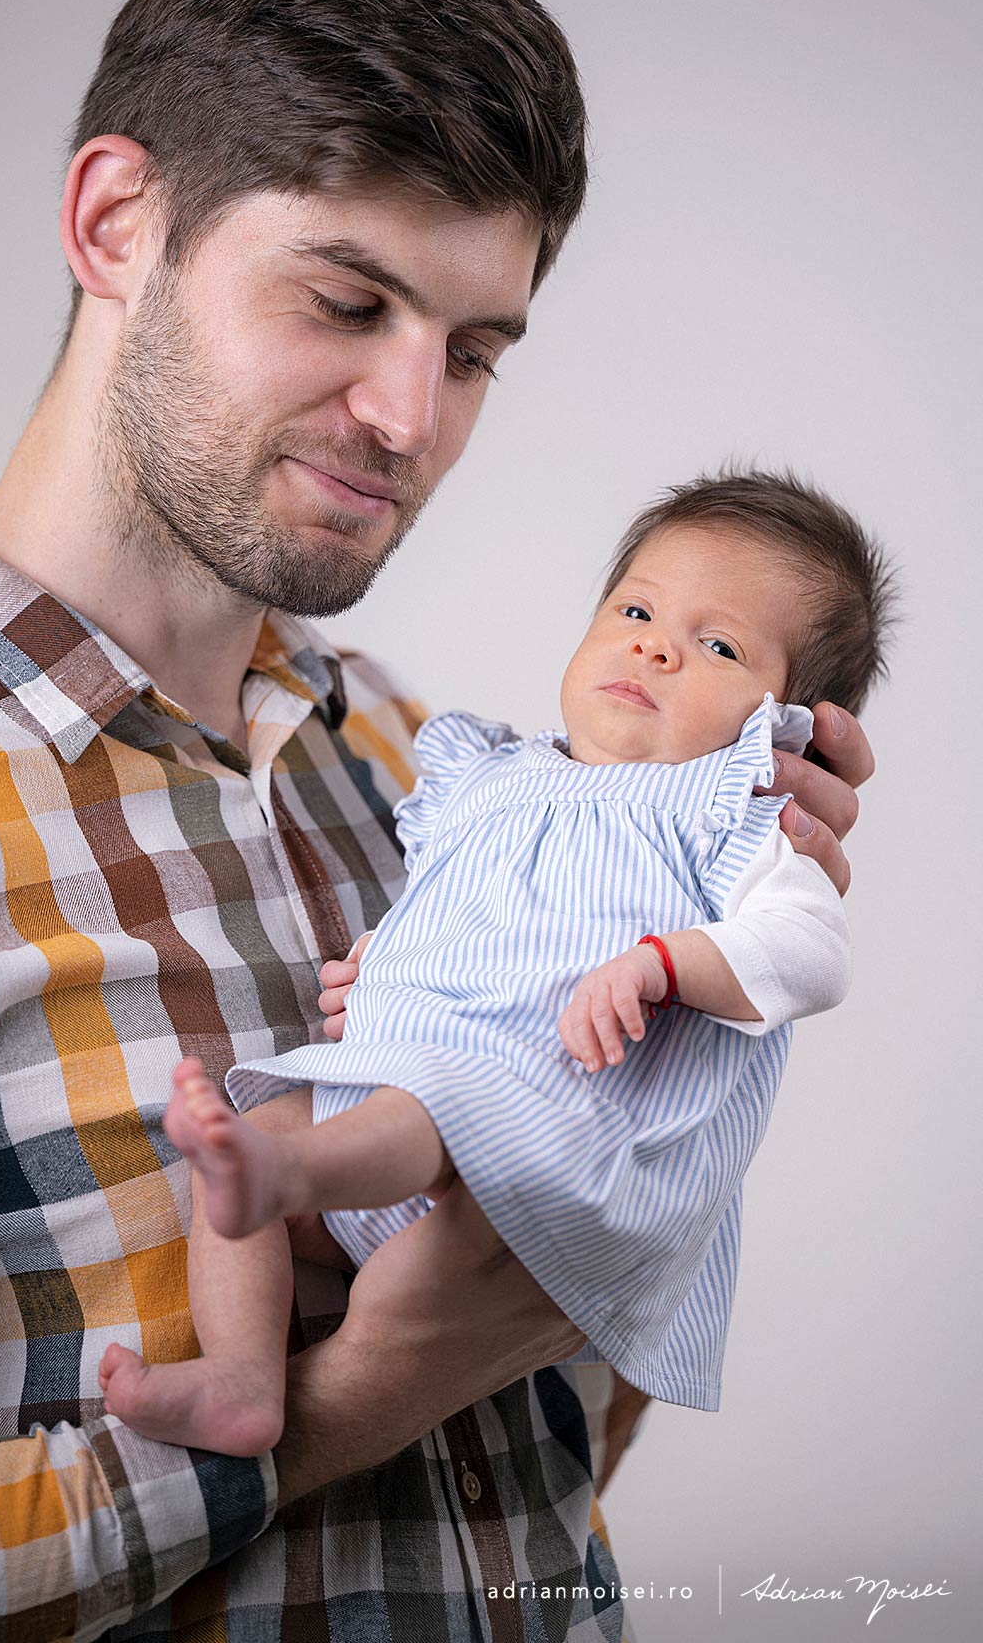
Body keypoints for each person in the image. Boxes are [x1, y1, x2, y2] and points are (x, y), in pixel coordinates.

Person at [0, 0, 874, 1643]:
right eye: (348, 301)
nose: (410, 415)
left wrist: (709, 984)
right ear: (116, 224)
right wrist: (346, 1402)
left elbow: (539, 1450)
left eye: (474, 349)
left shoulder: (408, 757)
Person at [95, 470, 891, 1453]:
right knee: (260, 1118)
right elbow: (454, 914)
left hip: (544, 1143)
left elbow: (812, 955)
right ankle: (241, 1379)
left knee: (406, 1107)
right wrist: (380, 975)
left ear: (787, 726)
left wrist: (669, 964)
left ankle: (278, 1172)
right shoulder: (488, 776)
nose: (655, 644)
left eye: (717, 644)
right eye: (636, 609)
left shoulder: (737, 816)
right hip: (400, 1126)